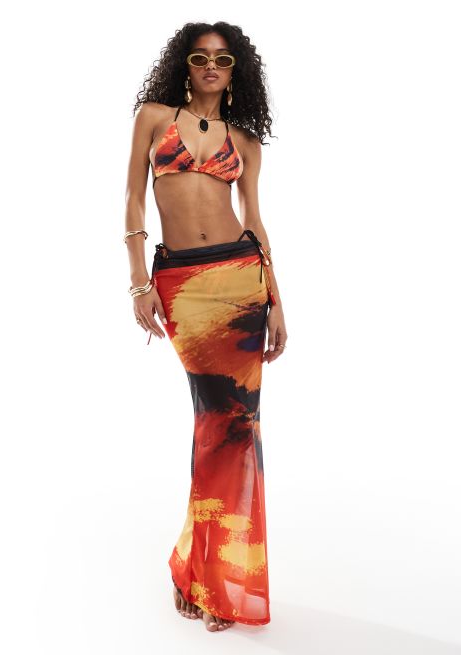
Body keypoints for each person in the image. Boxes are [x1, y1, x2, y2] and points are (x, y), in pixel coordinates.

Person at [124, 21, 288, 632]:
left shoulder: (243, 139)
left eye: (222, 58)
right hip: (181, 285)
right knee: (214, 424)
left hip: (241, 279)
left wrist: (277, 300)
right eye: (200, 57)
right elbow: (133, 201)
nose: (211, 65)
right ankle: (200, 571)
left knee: (233, 429)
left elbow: (255, 221)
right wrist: (138, 281)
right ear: (185, 66)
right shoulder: (153, 118)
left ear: (236, 68)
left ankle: (210, 579)